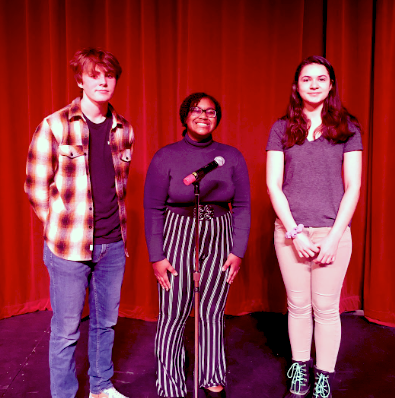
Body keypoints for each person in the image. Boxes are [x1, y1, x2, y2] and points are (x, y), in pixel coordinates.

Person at [24, 48, 134, 398]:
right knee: (67, 330)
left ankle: (101, 387)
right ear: (80, 80)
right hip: (68, 248)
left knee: (106, 324)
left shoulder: (124, 129)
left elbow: (118, 185)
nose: (103, 81)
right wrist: (62, 225)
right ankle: (64, 394)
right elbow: (35, 185)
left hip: (113, 245)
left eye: (109, 75)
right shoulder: (54, 125)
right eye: (95, 75)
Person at [266, 55, 362, 398]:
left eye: (321, 79)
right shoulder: (281, 128)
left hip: (332, 234)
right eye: (307, 79)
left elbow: (353, 186)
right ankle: (300, 367)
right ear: (297, 86)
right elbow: (273, 185)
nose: (314, 84)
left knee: (326, 308)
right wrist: (294, 232)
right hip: (291, 233)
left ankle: (324, 374)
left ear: (331, 84)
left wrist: (334, 238)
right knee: (297, 305)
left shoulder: (347, 127)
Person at [144, 92, 251, 398]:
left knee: (212, 311)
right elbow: (152, 208)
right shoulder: (165, 156)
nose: (204, 115)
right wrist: (157, 256)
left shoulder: (232, 155)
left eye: (211, 111)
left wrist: (237, 249)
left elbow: (242, 204)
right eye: (196, 110)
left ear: (217, 118)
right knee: (174, 311)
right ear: (184, 116)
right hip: (177, 231)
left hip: (220, 231)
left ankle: (212, 377)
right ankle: (170, 385)